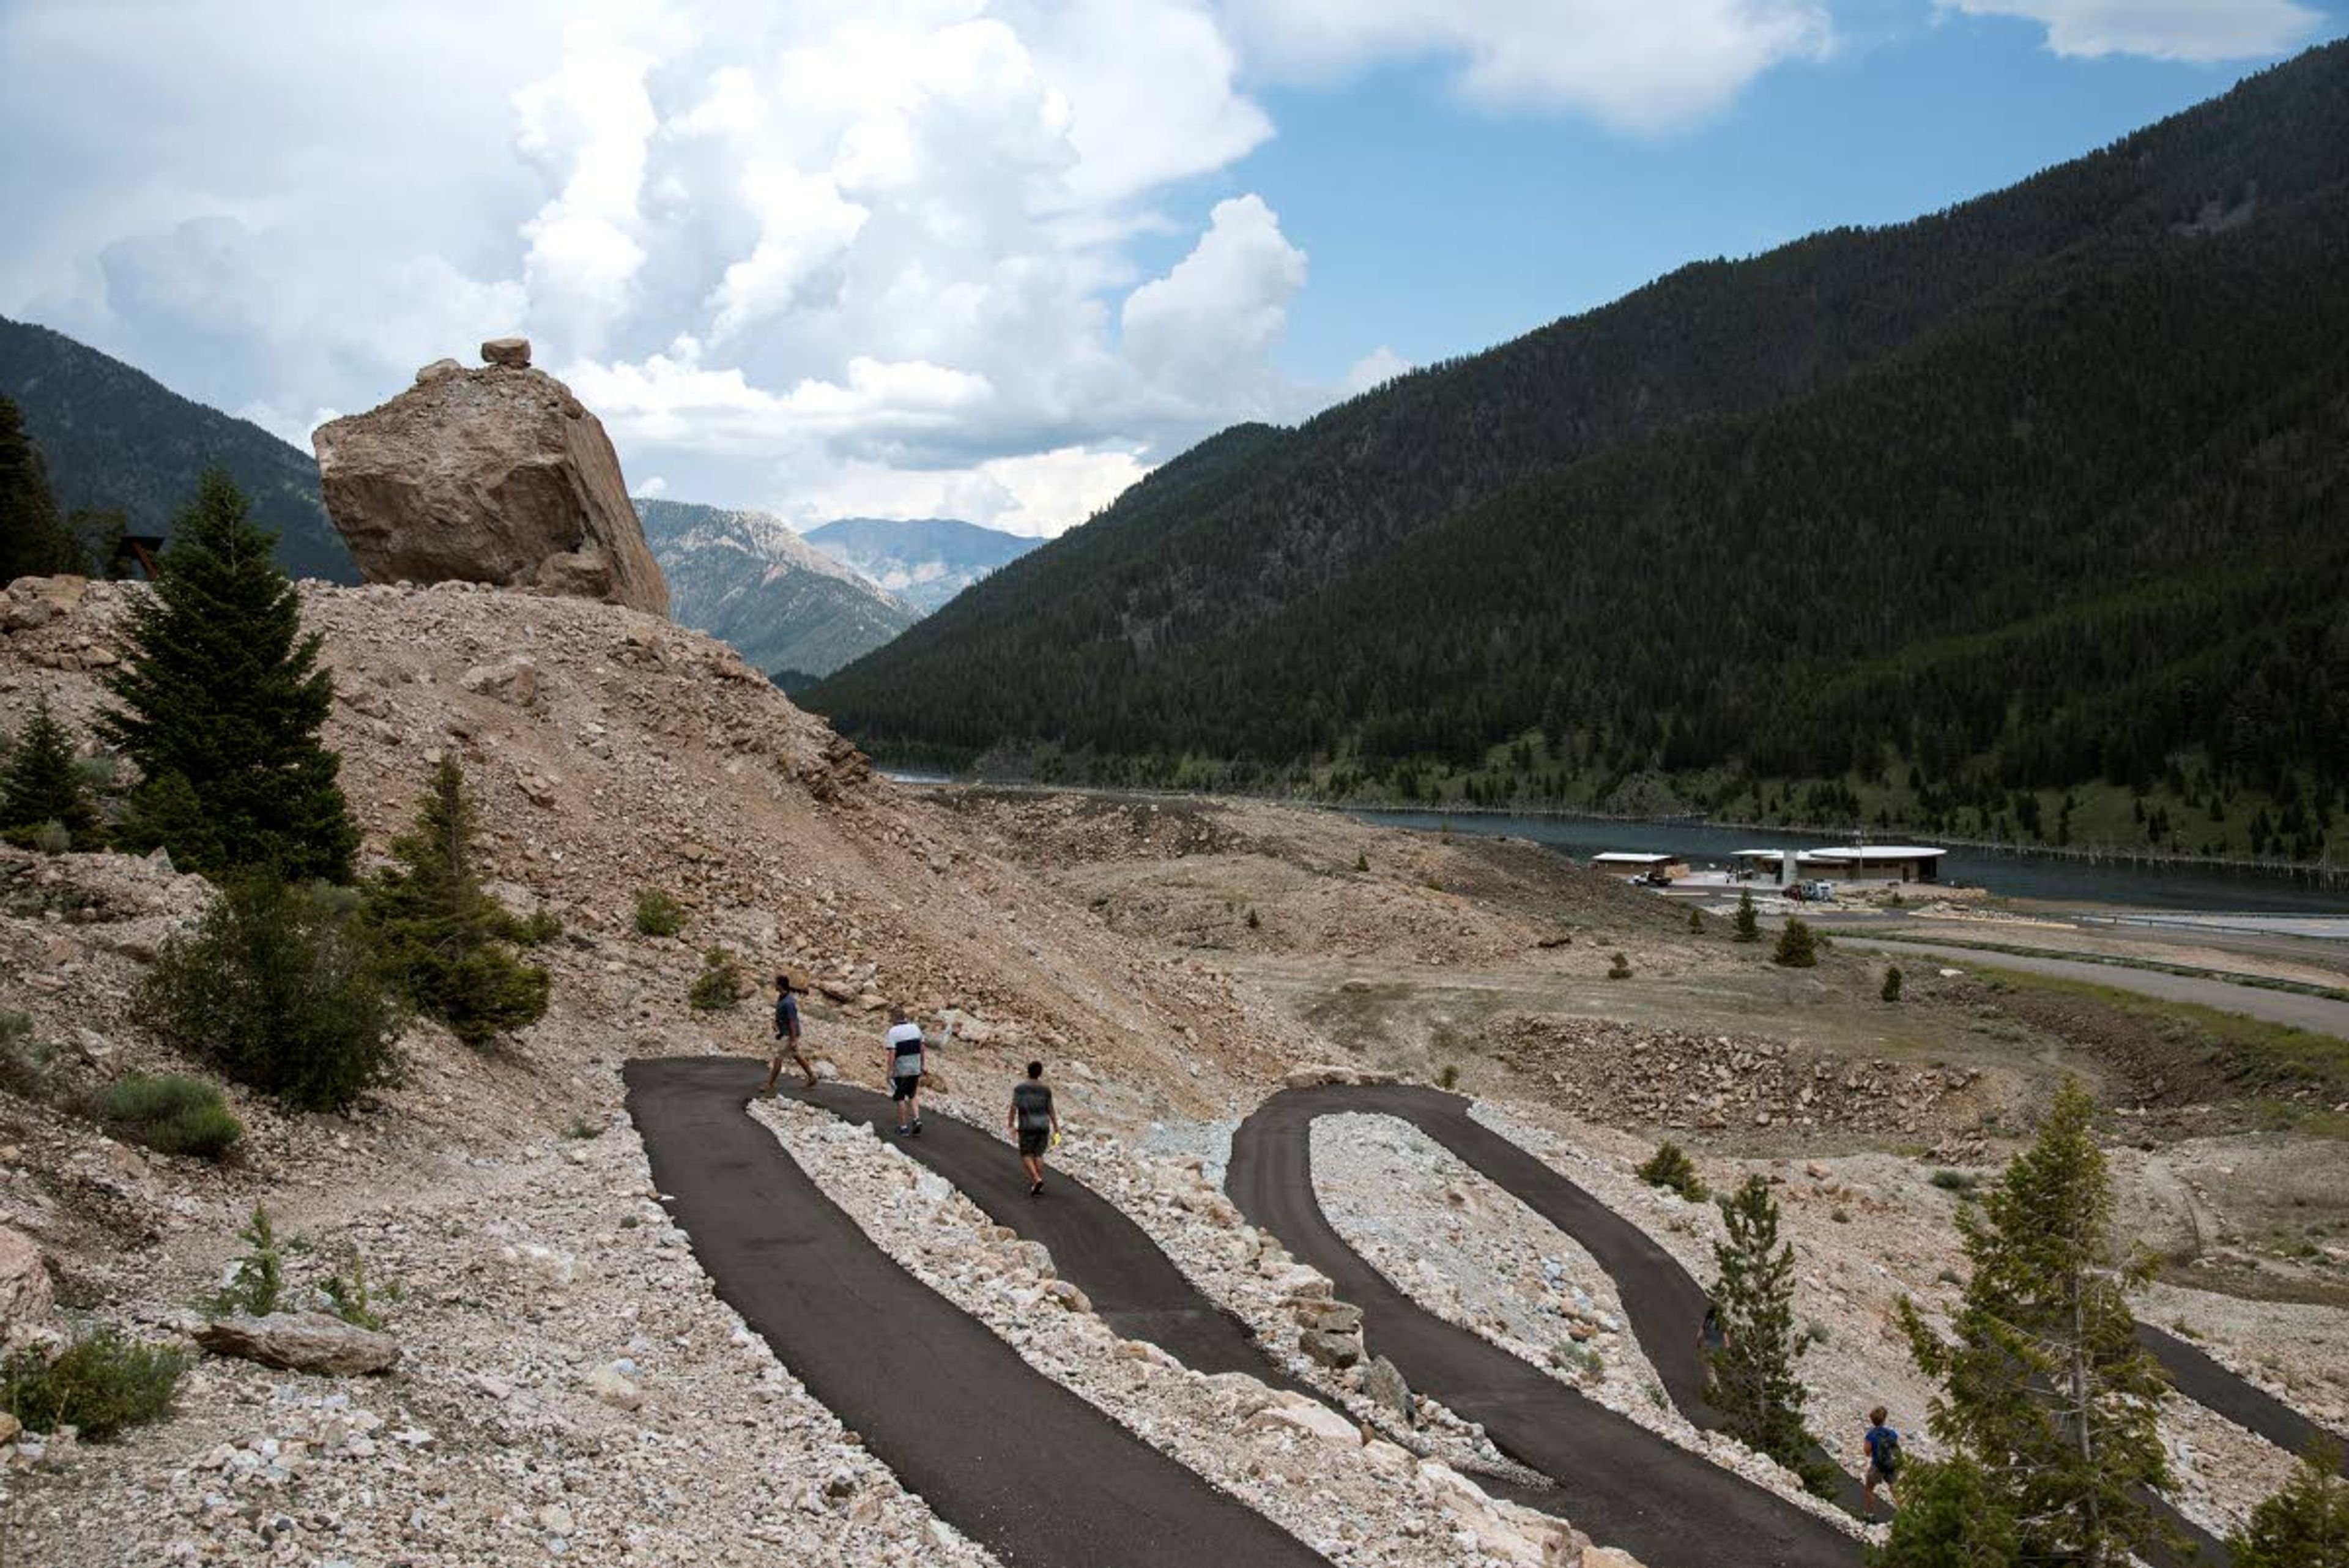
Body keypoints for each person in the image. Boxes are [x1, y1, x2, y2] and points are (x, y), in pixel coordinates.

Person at [1008, 1060, 1057, 1197]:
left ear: (1028, 1071)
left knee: (1026, 1154)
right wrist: (1057, 1128)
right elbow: (1051, 1109)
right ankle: (1038, 1184)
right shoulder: (1046, 1089)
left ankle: (1036, 1179)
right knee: (1039, 1154)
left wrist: (1011, 1125)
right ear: (1040, 1073)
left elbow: (1014, 1108)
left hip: (1027, 1126)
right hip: (1043, 1126)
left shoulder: (1020, 1089)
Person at [762, 975, 816, 1094]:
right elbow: (783, 1016)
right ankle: (812, 1077)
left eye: (776, 983)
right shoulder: (782, 997)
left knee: (778, 1057)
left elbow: (792, 1021)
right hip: (785, 1032)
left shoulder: (789, 1002)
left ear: (780, 985)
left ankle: (770, 1084)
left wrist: (793, 1039)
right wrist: (776, 1023)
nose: (774, 985)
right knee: (796, 1055)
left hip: (789, 1034)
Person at [883, 1007, 925, 1135]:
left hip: (901, 1069)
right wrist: (922, 1065)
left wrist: (889, 1072)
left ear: (894, 1018)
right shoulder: (915, 1028)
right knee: (912, 1094)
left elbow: (892, 1053)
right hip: (915, 1066)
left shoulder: (893, 1032)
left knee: (900, 1097)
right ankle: (917, 1120)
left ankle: (903, 1128)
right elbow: (922, 1048)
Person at [1861, 1405, 1902, 1517]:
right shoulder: (1892, 1433)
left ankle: (1870, 1515)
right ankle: (1906, 1515)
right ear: (1884, 1419)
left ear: (1872, 1420)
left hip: (1877, 1466)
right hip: (1891, 1465)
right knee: (1895, 1491)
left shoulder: (1871, 1435)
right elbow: (1895, 1448)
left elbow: (1867, 1453)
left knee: (1869, 1489)